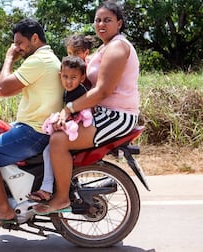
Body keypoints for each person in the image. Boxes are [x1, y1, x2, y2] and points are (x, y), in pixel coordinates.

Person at [33, 0, 140, 215]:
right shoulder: (105, 48)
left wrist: (69, 109)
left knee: (58, 140)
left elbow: (102, 91)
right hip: (101, 112)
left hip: (117, 116)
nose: (101, 24)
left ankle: (61, 198)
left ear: (119, 23)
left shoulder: (118, 47)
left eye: (107, 20)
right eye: (98, 20)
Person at [0, 18, 64, 232]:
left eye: (20, 43)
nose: (17, 48)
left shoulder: (38, 61)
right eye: (15, 45)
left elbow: (5, 85)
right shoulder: (45, 58)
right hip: (38, 127)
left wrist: (8, 57)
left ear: (34, 38)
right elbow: (12, 89)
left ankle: (4, 208)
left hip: (33, 132)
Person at [28, 35, 96, 203]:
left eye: (76, 53)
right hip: (74, 121)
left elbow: (80, 109)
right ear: (60, 75)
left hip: (80, 124)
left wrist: (63, 120)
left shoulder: (80, 86)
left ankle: (48, 189)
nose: (69, 80)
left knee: (50, 149)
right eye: (65, 77)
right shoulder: (72, 82)